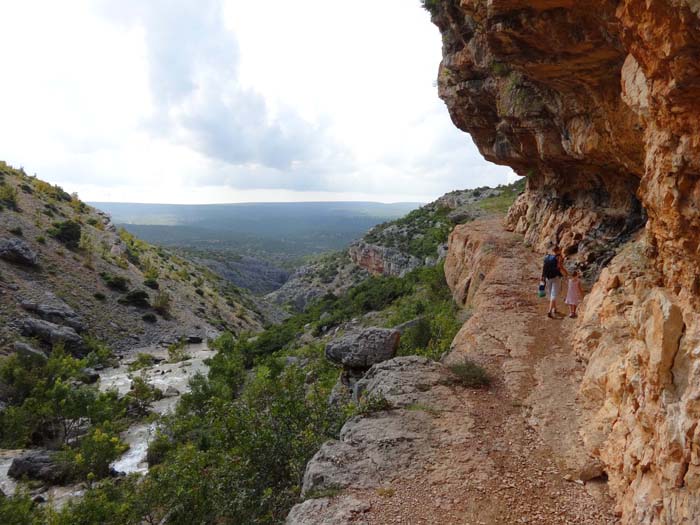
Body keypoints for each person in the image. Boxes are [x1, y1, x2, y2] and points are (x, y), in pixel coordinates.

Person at [541, 244, 568, 318]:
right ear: (558, 250)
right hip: (556, 278)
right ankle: (549, 311)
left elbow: (544, 267)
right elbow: (560, 267)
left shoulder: (547, 256)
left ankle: (554, 308)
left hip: (547, 277)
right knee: (553, 295)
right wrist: (566, 273)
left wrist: (542, 277)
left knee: (551, 294)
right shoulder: (558, 257)